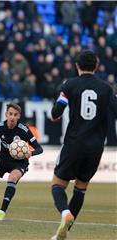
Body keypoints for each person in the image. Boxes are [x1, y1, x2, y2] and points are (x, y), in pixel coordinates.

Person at [50, 50, 117, 240]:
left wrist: (54, 113)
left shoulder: (69, 85)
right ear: (96, 66)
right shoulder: (106, 88)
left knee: (57, 185)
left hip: (74, 143)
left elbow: (56, 114)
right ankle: (64, 233)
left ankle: (65, 213)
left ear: (77, 65)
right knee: (81, 187)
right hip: (96, 146)